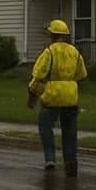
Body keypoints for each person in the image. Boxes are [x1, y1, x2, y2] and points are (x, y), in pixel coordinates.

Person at [27, 19, 88, 176]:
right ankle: (70, 161)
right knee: (70, 131)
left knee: (45, 126)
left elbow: (39, 76)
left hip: (52, 97)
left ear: (53, 35)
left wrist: (32, 95)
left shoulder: (49, 52)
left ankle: (50, 158)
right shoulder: (75, 52)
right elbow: (81, 75)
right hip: (70, 97)